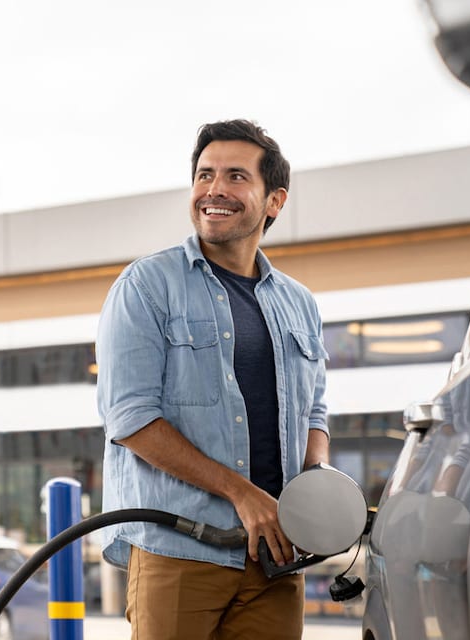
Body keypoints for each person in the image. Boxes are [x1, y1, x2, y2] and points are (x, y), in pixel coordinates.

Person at [96, 119, 330, 640]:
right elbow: (131, 418)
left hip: (275, 555)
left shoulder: (299, 303)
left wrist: (318, 482)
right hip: (179, 553)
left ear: (274, 200)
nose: (214, 190)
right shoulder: (147, 286)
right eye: (204, 175)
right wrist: (243, 495)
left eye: (235, 177)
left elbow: (314, 410)